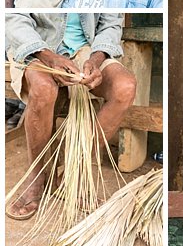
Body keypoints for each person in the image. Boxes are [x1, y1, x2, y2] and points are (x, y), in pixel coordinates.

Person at [5, 13, 137, 220]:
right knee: (43, 89)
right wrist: (49, 56)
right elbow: (13, 19)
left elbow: (111, 23)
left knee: (125, 87)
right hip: (36, 48)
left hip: (86, 49)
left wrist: (96, 57)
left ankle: (71, 176)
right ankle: (37, 177)